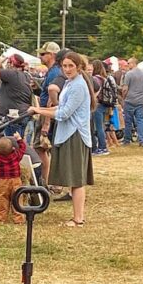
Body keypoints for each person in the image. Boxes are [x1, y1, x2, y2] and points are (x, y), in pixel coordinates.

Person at [29, 50, 95, 226]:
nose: (67, 69)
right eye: (64, 66)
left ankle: (78, 219)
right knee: (73, 179)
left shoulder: (78, 86)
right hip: (67, 134)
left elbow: (64, 113)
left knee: (77, 180)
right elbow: (59, 107)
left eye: (70, 66)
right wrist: (40, 110)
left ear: (79, 67)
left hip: (75, 136)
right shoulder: (69, 83)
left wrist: (39, 110)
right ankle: (77, 217)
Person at [35, 42, 64, 180]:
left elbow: (51, 99)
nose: (40, 57)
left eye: (43, 54)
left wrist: (46, 122)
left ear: (52, 55)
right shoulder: (52, 71)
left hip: (48, 114)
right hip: (48, 113)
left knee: (42, 148)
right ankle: (48, 180)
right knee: (43, 148)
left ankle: (48, 180)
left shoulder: (54, 72)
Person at [0, 53, 35, 141]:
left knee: (12, 145)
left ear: (11, 64)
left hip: (12, 117)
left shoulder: (13, 74)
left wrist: (3, 58)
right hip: (23, 114)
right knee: (19, 143)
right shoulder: (25, 75)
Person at [0, 133, 27, 224]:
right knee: (17, 200)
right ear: (13, 148)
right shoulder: (16, 156)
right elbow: (23, 148)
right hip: (16, 181)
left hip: (3, 182)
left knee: (2, 200)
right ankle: (19, 219)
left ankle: (1, 219)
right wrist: (19, 139)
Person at [121, 57, 143, 147]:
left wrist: (123, 97)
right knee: (140, 120)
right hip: (141, 100)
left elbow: (125, 88)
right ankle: (142, 140)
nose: (127, 65)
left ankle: (127, 140)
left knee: (128, 121)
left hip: (130, 99)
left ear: (133, 63)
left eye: (128, 63)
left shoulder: (129, 74)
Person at [90, 59, 113, 156]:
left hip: (98, 104)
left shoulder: (95, 79)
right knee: (102, 126)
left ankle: (102, 147)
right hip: (105, 104)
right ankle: (103, 145)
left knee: (98, 127)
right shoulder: (104, 78)